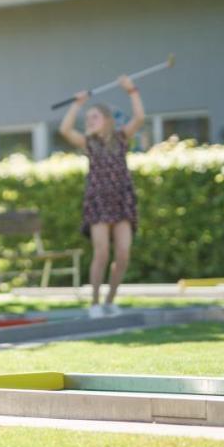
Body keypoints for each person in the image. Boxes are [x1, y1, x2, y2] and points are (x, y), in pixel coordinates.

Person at [58, 76, 145, 315]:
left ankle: (110, 301)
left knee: (124, 253)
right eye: (87, 118)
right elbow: (64, 129)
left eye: (94, 117)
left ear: (107, 120)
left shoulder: (121, 138)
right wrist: (77, 104)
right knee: (102, 252)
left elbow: (139, 118)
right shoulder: (88, 143)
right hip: (98, 202)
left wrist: (132, 91)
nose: (89, 121)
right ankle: (95, 304)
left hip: (121, 200)